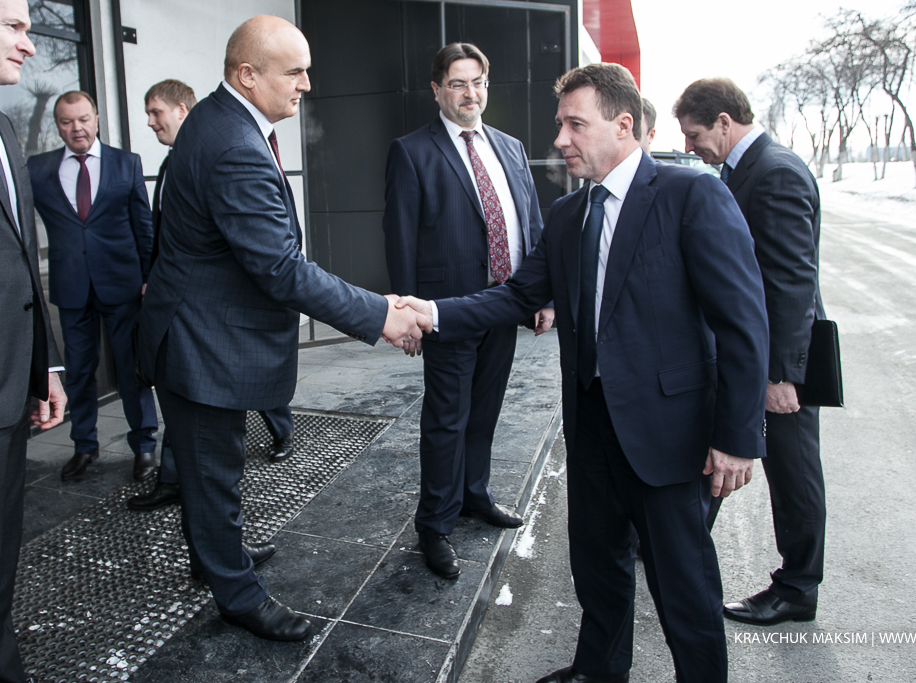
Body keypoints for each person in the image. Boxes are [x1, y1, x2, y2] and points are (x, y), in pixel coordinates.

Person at [399, 63, 768, 683]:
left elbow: (743, 324)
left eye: (575, 125)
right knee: (597, 566)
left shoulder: (691, 196)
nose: (560, 139)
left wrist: (737, 437)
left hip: (668, 436)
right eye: (560, 124)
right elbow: (517, 296)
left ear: (623, 125)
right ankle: (599, 670)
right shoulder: (569, 215)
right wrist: (431, 312)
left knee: (683, 585)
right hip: (592, 427)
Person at [135, 15, 427, 642]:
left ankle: (216, 557)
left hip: (196, 330)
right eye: (294, 72)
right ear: (248, 75)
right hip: (199, 343)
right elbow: (279, 267)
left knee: (210, 470)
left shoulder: (220, 121)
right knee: (214, 475)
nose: (306, 84)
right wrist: (381, 315)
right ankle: (237, 594)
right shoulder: (234, 144)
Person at [382, 42, 550, 580]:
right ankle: (434, 524)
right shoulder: (412, 151)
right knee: (446, 420)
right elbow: (400, 239)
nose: (470, 93)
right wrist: (407, 312)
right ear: (437, 90)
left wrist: (542, 295)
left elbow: (532, 222)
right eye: (457, 83)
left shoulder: (511, 147)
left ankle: (475, 494)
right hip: (446, 310)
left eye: (477, 82)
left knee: (484, 410)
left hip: (503, 305)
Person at [675, 77, 825, 627]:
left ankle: (798, 588)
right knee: (718, 443)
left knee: (792, 471)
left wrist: (780, 375)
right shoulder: (743, 170)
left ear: (724, 121)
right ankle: (678, 543)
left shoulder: (776, 172)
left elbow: (791, 284)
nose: (689, 146)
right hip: (750, 355)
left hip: (779, 365)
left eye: (694, 135)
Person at [127, 80, 294, 515]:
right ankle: (178, 488)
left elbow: (271, 258)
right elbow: (167, 234)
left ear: (182, 111)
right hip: (186, 319)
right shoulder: (180, 158)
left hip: (227, 321)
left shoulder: (225, 148)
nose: (150, 122)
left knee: (229, 427)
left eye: (156, 112)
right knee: (196, 429)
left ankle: (281, 431)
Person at [28, 91, 159, 482]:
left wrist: (149, 277)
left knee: (131, 369)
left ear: (96, 119)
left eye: (83, 119)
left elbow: (144, 226)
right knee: (79, 373)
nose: (77, 128)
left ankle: (144, 445)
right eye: (67, 122)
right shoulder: (37, 169)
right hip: (71, 289)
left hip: (123, 286)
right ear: (57, 126)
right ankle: (84, 446)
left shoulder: (126, 163)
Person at [0, 1, 67, 680]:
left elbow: (20, 259)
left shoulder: (4, 125)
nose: (29, 44)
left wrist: (43, 365)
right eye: (14, 26)